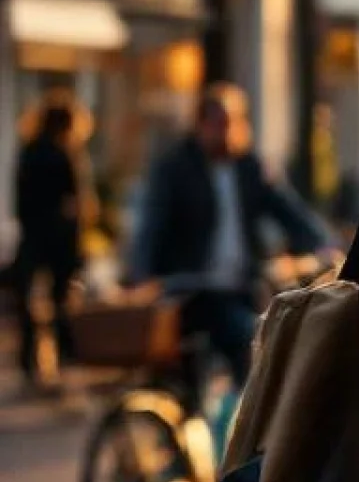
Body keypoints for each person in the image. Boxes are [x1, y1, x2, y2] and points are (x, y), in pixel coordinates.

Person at [124, 83, 336, 387]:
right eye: (219, 124)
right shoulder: (174, 169)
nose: (227, 132)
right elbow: (151, 226)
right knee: (225, 352)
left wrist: (326, 244)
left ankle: (234, 418)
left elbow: (289, 211)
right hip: (187, 290)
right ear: (200, 125)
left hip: (238, 288)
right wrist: (142, 276)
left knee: (262, 350)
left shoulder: (249, 168)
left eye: (233, 123)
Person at [11, 91, 88, 382]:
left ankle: (30, 359)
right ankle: (63, 358)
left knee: (29, 299)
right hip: (59, 237)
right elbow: (76, 202)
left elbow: (20, 199)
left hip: (32, 234)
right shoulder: (65, 154)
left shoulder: (29, 150)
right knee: (60, 300)